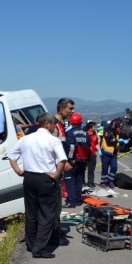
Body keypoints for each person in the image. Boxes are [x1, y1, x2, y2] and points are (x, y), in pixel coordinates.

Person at [6, 112, 67, 259]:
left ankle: (31, 244)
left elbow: (11, 156)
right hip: (45, 179)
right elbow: (62, 160)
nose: (54, 127)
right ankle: (39, 249)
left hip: (29, 178)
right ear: (47, 124)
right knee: (47, 214)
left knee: (31, 213)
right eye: (53, 124)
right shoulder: (53, 141)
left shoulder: (26, 139)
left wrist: (18, 171)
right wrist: (57, 174)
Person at [51, 98, 74, 245]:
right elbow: (51, 149)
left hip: (59, 170)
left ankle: (56, 227)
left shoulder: (62, 125)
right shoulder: (55, 126)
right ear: (62, 109)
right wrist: (62, 163)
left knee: (58, 201)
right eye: (70, 109)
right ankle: (52, 232)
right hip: (54, 170)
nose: (72, 111)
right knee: (54, 202)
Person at [64, 112, 90, 208]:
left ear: (71, 122)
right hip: (83, 160)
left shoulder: (70, 133)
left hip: (74, 160)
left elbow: (71, 147)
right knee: (79, 180)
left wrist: (70, 159)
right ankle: (78, 199)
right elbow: (89, 148)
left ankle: (72, 201)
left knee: (70, 180)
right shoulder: (86, 134)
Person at [99, 118, 122, 188]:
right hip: (106, 153)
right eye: (118, 126)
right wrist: (118, 141)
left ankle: (109, 180)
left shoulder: (117, 132)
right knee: (105, 168)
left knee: (114, 167)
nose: (119, 128)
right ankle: (103, 182)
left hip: (113, 154)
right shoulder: (107, 131)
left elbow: (117, 140)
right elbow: (109, 142)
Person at [86, 121, 100, 189]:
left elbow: (96, 144)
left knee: (91, 170)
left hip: (93, 155)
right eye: (94, 127)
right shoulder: (85, 134)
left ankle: (90, 182)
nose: (95, 128)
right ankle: (82, 182)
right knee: (82, 169)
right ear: (90, 128)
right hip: (85, 154)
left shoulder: (95, 135)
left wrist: (99, 151)